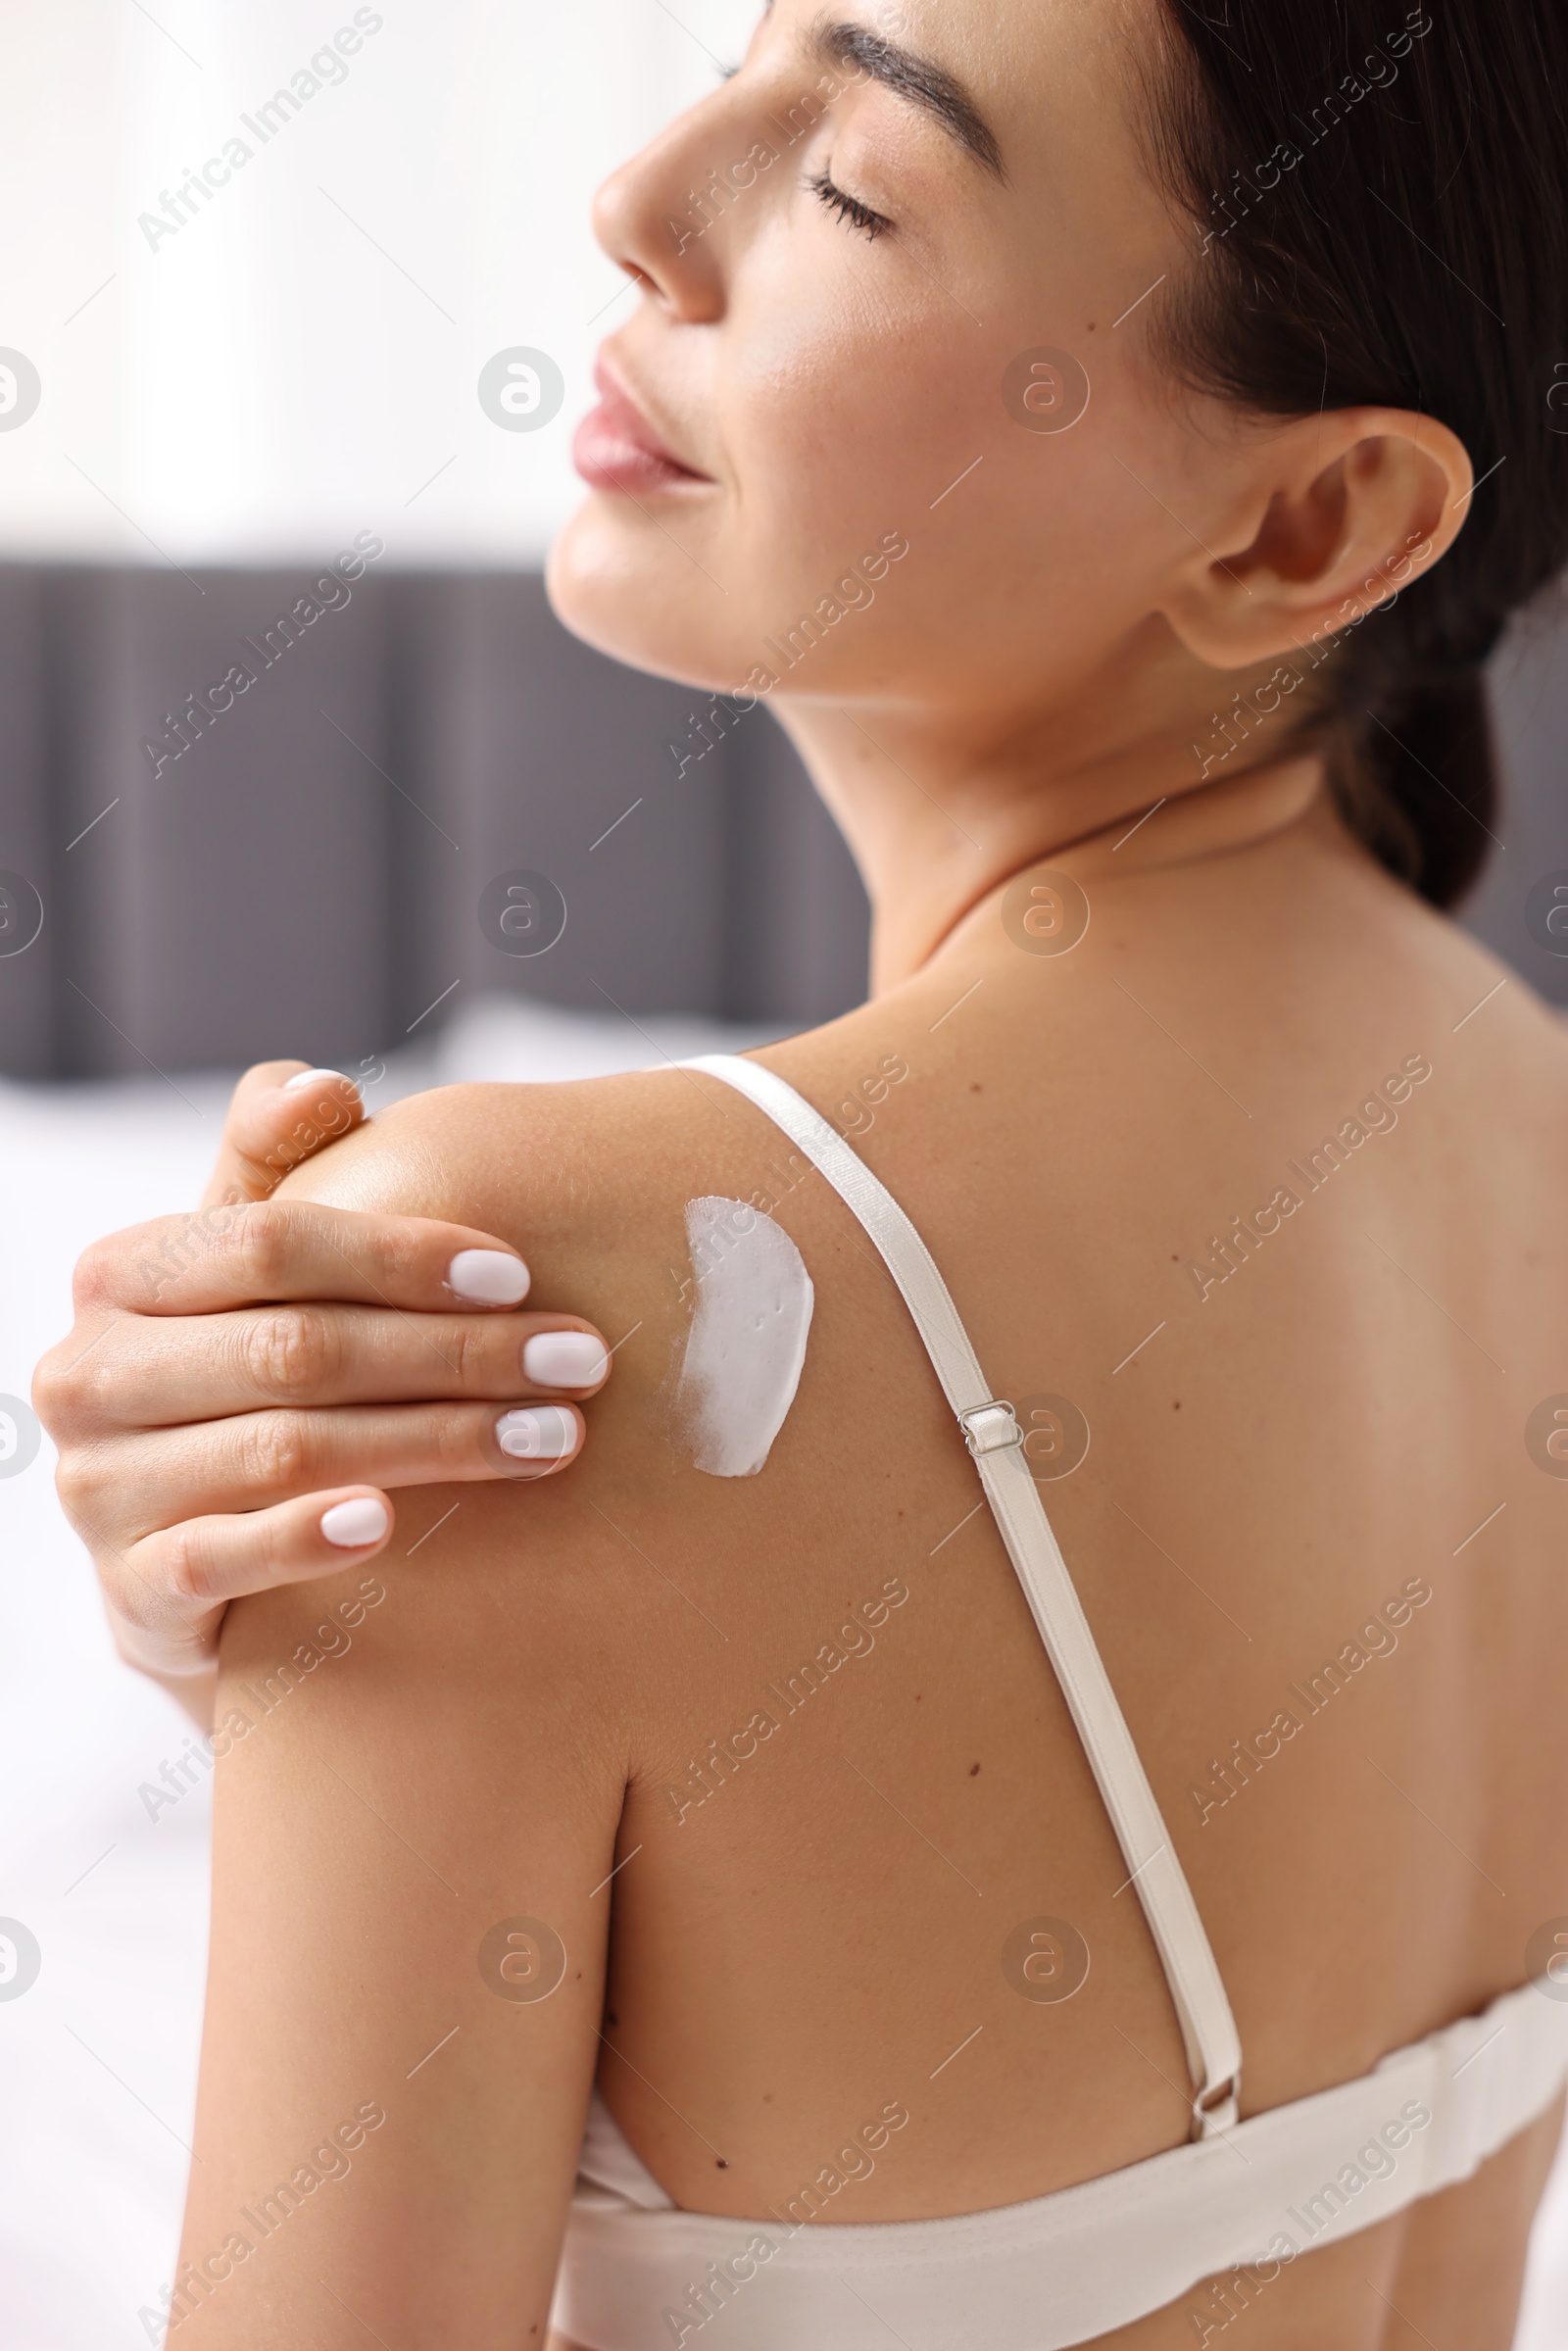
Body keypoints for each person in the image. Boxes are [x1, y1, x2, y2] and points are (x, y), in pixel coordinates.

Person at [33, 0, 1568, 2342]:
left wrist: (366, 1622)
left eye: (857, 176)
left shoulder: (528, 1299)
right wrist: (256, 1663)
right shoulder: (1520, 1124)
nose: (639, 200)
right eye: (736, 48)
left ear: (1303, 522)